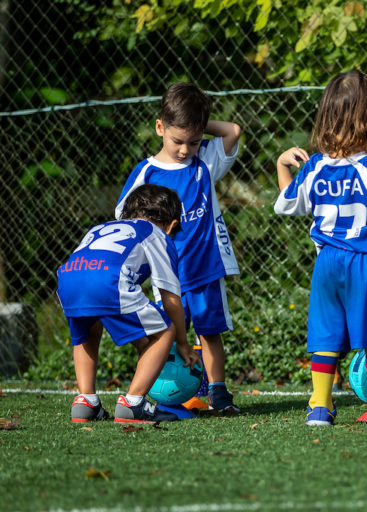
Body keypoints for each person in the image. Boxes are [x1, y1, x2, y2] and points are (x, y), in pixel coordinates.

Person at [274, 70, 367, 427]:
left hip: (327, 263)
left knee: (325, 335)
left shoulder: (314, 167)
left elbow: (286, 204)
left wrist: (281, 165)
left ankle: (319, 407)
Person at [115, 82, 242, 413]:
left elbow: (232, 131)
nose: (186, 149)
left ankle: (218, 392)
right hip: (166, 275)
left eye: (195, 141)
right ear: (160, 127)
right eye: (178, 140)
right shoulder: (146, 172)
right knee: (169, 335)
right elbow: (123, 216)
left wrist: (199, 126)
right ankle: (177, 395)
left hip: (206, 270)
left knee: (210, 332)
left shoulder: (204, 164)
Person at [58, 184, 200, 423]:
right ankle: (134, 403)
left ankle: (86, 401)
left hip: (69, 278)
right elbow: (171, 297)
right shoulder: (155, 233)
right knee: (165, 332)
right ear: (172, 225)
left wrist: (144, 346)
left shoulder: (100, 227)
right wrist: (182, 343)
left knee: (87, 333)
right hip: (109, 282)